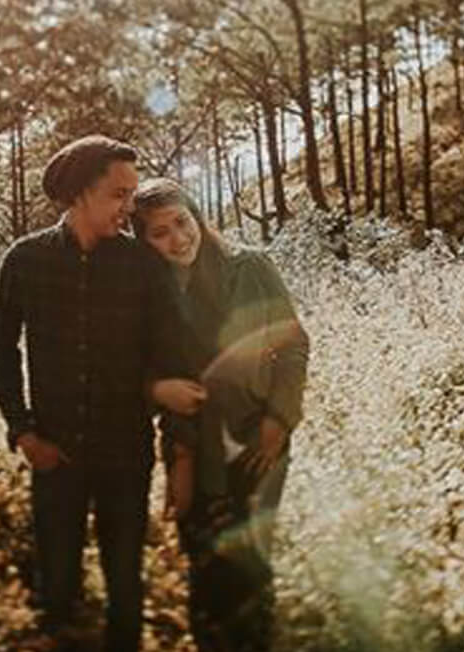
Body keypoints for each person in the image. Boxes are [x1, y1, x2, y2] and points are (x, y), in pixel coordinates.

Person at [0, 136, 205, 652]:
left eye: (132, 194)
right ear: (81, 192)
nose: (129, 207)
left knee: (126, 594)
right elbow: (2, 353)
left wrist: (179, 452)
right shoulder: (24, 260)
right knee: (57, 592)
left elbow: (171, 358)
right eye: (119, 194)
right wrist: (22, 432)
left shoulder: (142, 266)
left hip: (125, 457)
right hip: (53, 456)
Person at [136, 178, 308, 652]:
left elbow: (292, 346)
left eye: (182, 222)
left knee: (250, 562)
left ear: (197, 217)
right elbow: (131, 371)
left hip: (259, 439)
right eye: (160, 232)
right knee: (203, 564)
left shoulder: (248, 267)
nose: (178, 238)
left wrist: (279, 420)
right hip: (190, 447)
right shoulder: (149, 298)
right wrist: (156, 391)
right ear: (144, 242)